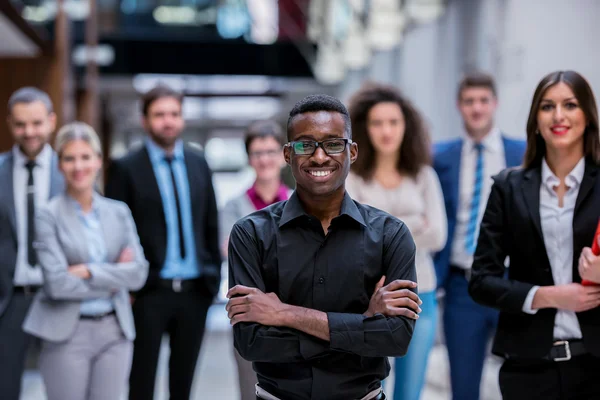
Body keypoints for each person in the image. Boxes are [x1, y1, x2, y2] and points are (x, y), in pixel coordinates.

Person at [226, 94, 423, 400]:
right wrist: (363, 325)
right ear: (288, 155)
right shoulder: (250, 234)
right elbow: (253, 342)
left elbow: (395, 340)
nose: (319, 157)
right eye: (305, 145)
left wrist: (284, 314)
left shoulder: (390, 235)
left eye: (333, 144)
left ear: (352, 151)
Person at [469, 70, 600, 399]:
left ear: (587, 115)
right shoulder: (508, 188)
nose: (558, 115)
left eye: (570, 105)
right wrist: (548, 295)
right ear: (536, 119)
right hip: (527, 368)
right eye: (547, 106)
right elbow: (482, 279)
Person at [105, 84, 221, 400]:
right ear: (145, 120)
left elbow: (211, 223)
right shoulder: (126, 168)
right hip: (148, 292)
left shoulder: (199, 163)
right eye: (159, 114)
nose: (167, 121)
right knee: (140, 383)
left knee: (182, 386)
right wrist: (126, 286)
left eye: (174, 114)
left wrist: (212, 278)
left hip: (195, 290)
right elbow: (114, 230)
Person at [22, 122, 148, 400]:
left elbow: (138, 274)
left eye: (85, 157)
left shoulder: (119, 212)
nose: (78, 166)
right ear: (59, 165)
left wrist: (87, 271)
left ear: (98, 161)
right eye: (69, 158)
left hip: (115, 330)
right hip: (66, 331)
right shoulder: (48, 215)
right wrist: (115, 277)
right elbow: (57, 284)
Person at [345, 82, 447, 400]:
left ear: (407, 127)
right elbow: (354, 238)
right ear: (364, 128)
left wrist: (381, 224)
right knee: (370, 389)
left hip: (421, 296)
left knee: (410, 392)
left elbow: (439, 235)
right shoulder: (354, 177)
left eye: (394, 122)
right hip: (368, 299)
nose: (386, 130)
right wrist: (415, 224)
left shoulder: (423, 175)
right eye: (377, 122)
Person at [433, 72, 526, 400]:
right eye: (469, 101)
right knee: (464, 385)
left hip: (513, 282)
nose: (477, 108)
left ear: (494, 104)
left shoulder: (522, 153)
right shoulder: (441, 156)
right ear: (460, 106)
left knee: (524, 380)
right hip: (463, 286)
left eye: (483, 101)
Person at [219, 119, 291, 400]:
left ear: (284, 157)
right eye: (258, 153)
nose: (265, 159)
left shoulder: (300, 203)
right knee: (251, 391)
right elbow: (229, 251)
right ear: (249, 158)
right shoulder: (233, 206)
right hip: (247, 314)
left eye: (271, 152)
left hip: (290, 310)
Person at [0, 87, 64, 400]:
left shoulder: (71, 172)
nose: (29, 132)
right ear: (10, 123)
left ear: (51, 121)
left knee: (65, 389)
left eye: (37, 123)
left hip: (60, 297)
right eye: (20, 124)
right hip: (9, 300)